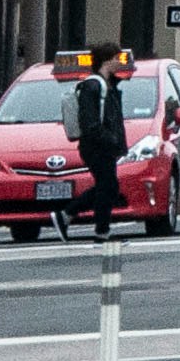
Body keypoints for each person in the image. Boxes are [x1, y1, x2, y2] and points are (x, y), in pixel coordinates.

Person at [70, 48, 131, 239]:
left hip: (105, 146)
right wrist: (110, 139)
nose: (119, 62)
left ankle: (69, 214)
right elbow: (90, 122)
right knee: (108, 186)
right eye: (116, 59)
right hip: (96, 146)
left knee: (108, 186)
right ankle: (100, 230)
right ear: (106, 61)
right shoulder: (93, 86)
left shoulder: (108, 84)